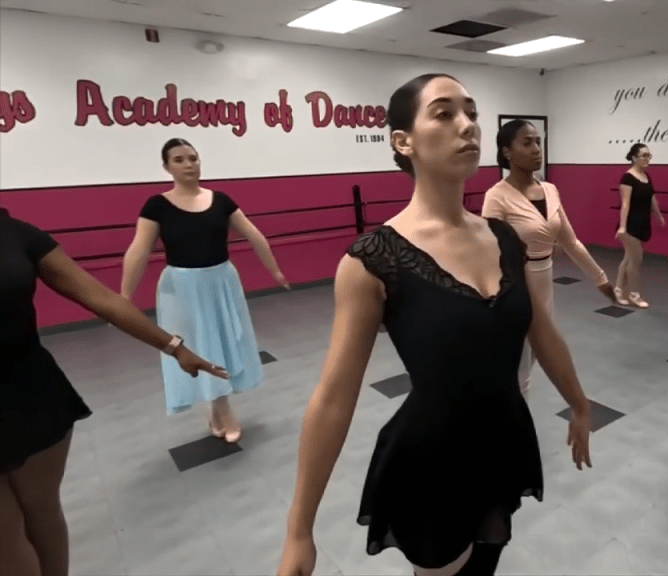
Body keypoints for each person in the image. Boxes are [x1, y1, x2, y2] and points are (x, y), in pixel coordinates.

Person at [276, 73, 593, 576]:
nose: (467, 125)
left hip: (502, 441)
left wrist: (579, 403)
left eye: (472, 113)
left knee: (486, 562)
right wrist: (299, 530)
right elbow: (333, 397)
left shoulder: (504, 238)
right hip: (433, 462)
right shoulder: (373, 260)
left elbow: (542, 330)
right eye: (444, 114)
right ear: (404, 141)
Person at [0, 206, 227, 576]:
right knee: (5, 533)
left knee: (41, 511)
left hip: (31, 395)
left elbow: (100, 298)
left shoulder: (18, 234)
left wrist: (174, 347)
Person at [120, 138, 289, 443]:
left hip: (222, 281)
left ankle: (215, 409)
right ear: (166, 167)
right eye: (179, 160)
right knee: (200, 347)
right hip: (182, 287)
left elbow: (253, 234)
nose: (189, 165)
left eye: (193, 158)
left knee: (224, 343)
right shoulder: (157, 206)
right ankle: (225, 411)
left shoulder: (221, 200)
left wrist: (275, 270)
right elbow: (138, 250)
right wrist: (124, 296)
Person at [482, 119, 616, 399]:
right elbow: (488, 253)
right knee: (520, 368)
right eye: (527, 143)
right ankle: (514, 422)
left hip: (544, 286)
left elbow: (571, 242)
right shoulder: (497, 197)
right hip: (514, 288)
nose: (536, 149)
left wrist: (601, 280)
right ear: (507, 151)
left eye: (538, 142)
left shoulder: (550, 190)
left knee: (534, 356)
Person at [614, 143, 665, 308]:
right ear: (634, 157)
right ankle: (634, 294)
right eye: (644, 155)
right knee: (636, 260)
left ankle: (618, 290)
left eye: (649, 155)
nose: (647, 158)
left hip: (643, 222)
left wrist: (658, 215)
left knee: (628, 259)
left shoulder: (646, 176)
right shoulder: (627, 178)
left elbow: (652, 199)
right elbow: (625, 204)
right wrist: (622, 227)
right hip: (630, 225)